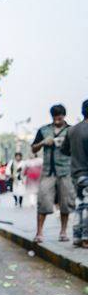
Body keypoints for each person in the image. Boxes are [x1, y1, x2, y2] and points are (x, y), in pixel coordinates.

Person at [30, 104, 75, 242]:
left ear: (64, 116)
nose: (57, 120)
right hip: (48, 171)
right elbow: (33, 149)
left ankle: (63, 232)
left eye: (59, 117)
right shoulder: (44, 130)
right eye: (55, 117)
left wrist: (66, 144)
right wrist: (43, 142)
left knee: (65, 202)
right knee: (43, 200)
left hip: (65, 171)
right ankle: (39, 232)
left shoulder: (71, 131)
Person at [60, 99, 88, 247]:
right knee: (86, 207)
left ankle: (77, 236)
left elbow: (64, 150)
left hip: (76, 173)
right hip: (86, 173)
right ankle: (85, 237)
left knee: (80, 205)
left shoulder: (72, 130)